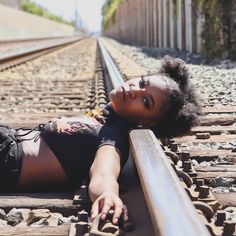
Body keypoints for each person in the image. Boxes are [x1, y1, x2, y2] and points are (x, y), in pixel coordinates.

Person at [0, 56, 201, 225]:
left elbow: (104, 171)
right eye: (141, 82)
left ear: (146, 123)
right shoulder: (105, 118)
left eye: (146, 101)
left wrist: (107, 194)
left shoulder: (112, 136)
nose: (134, 90)